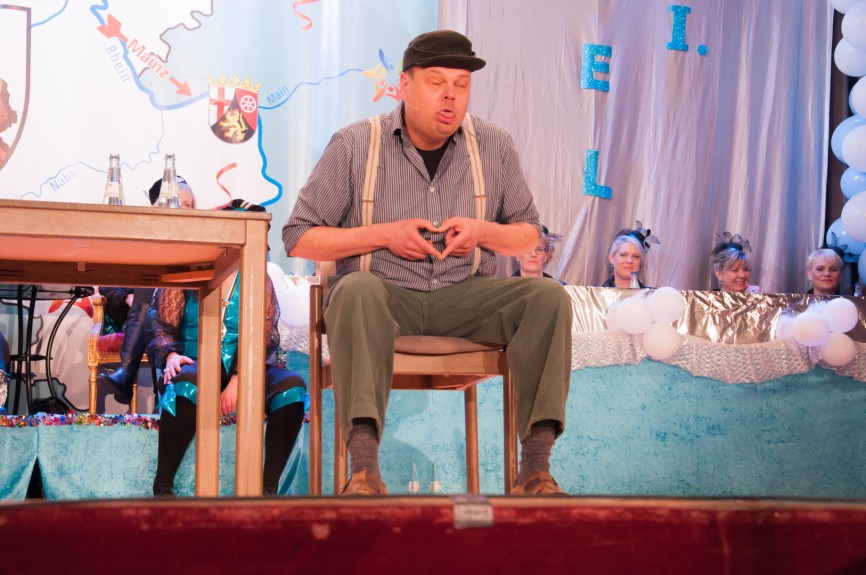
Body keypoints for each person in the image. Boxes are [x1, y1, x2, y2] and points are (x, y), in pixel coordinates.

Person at [283, 30, 573, 496]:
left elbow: (528, 233)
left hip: (465, 299)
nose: (450, 96)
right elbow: (298, 238)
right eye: (437, 82)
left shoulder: (494, 145)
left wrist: (482, 232)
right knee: (355, 289)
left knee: (547, 297)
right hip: (383, 297)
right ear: (405, 85)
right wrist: (384, 235)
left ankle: (535, 470)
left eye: (461, 85)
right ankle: (364, 471)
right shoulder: (356, 143)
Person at [151, 203, 306, 496]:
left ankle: (267, 490)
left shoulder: (259, 279)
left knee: (292, 387)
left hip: (245, 366)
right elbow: (162, 328)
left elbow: (264, 337)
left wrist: (239, 379)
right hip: (196, 363)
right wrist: (170, 355)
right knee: (186, 383)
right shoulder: (190, 271)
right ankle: (163, 485)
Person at [96, 176, 196, 404]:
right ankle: (134, 376)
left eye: (188, 205)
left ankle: (125, 374)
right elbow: (107, 283)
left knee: (150, 296)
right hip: (147, 320)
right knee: (146, 296)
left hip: (183, 320)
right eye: (175, 203)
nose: (182, 210)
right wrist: (126, 297)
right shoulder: (141, 244)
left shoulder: (200, 247)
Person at [601, 223, 659, 288]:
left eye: (636, 256)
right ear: (611, 258)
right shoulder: (595, 293)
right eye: (623, 255)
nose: (630, 260)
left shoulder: (653, 294)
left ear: (641, 262)